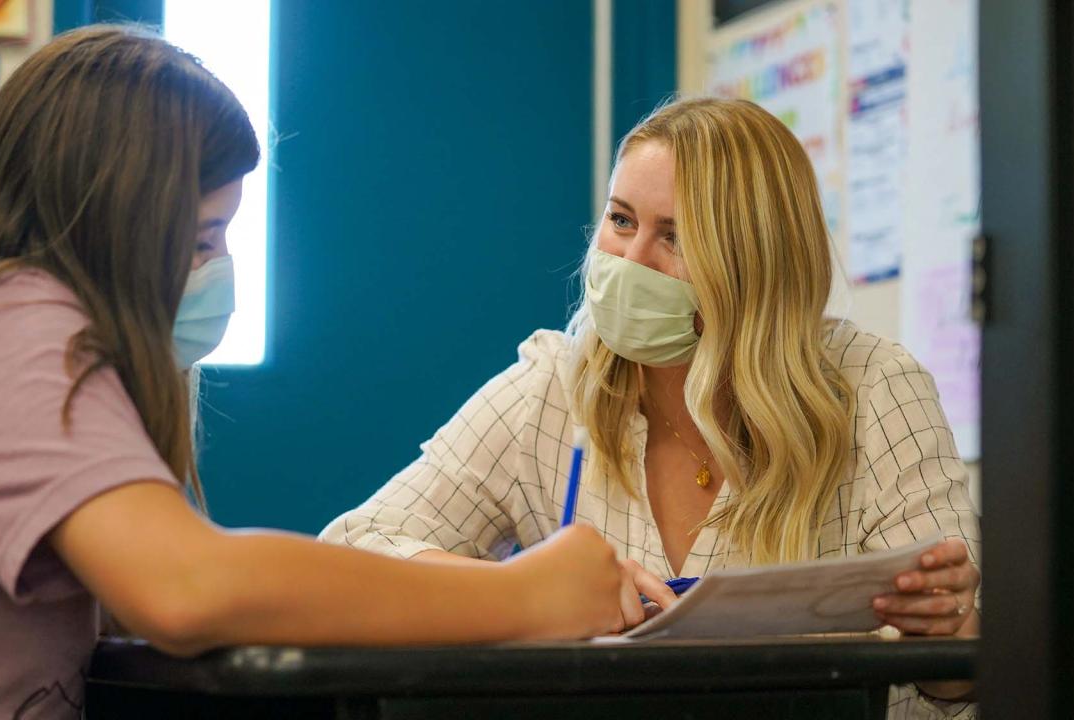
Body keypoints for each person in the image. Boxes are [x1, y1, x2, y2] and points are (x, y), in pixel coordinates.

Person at [0, 26, 622, 719]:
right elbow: (186, 587)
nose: (215, 270)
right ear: (108, 227)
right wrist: (526, 596)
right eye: (198, 240)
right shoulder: (7, 328)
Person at [322, 98, 981, 717]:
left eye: (675, 238)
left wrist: (952, 647)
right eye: (621, 220)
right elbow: (353, 553)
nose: (628, 263)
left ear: (754, 265)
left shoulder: (872, 388)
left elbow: (971, 687)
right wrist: (525, 588)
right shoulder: (554, 385)